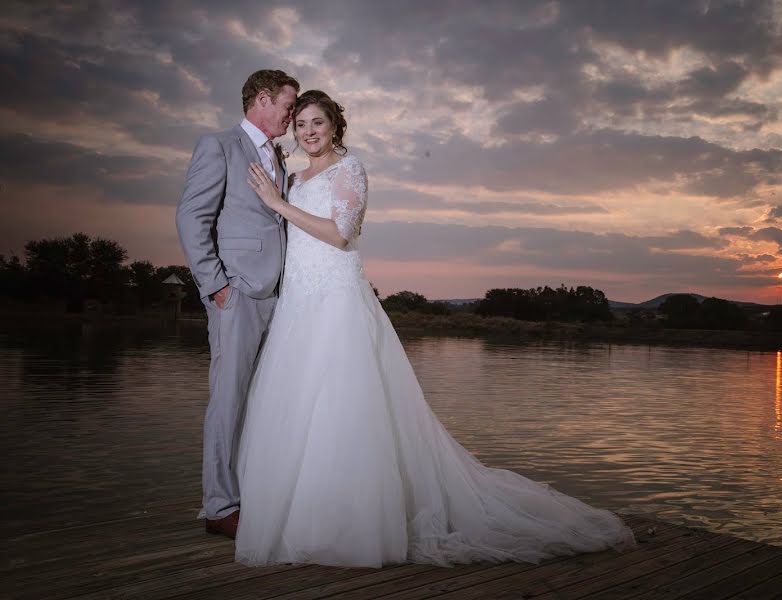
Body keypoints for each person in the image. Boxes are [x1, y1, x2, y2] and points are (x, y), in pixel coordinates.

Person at [236, 89, 635, 567]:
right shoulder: (297, 177)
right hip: (299, 300)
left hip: (337, 300)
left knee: (341, 405)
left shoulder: (350, 170)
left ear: (335, 125)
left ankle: (352, 524)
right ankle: (302, 517)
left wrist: (278, 205)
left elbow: (341, 234)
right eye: (300, 124)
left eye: (317, 122)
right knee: (299, 405)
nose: (308, 132)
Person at [176, 69, 299, 539]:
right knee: (228, 400)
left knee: (261, 400)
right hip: (239, 293)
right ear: (262, 99)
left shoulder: (278, 158)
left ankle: (253, 492)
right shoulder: (219, 145)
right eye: (288, 107)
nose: (291, 116)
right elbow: (191, 218)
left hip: (280, 295)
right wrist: (216, 286)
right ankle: (220, 507)